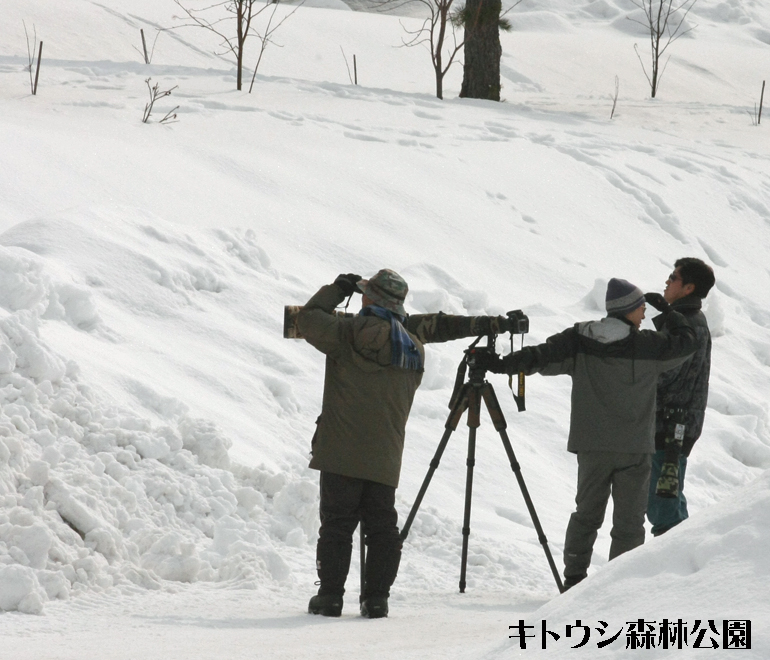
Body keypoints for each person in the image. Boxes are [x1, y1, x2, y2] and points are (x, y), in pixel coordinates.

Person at [297, 269, 515, 618]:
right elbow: (441, 326)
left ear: (370, 299)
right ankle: (376, 599)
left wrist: (338, 289)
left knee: (337, 525)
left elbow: (307, 319)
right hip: (385, 455)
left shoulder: (345, 333)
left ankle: (331, 597)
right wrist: (488, 324)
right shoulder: (411, 342)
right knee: (382, 528)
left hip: (339, 451)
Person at [480, 278, 698, 590]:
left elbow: (540, 356)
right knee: (629, 523)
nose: (643, 314)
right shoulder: (648, 345)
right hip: (634, 449)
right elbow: (687, 343)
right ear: (627, 310)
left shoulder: (579, 338)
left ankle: (574, 580)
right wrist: (669, 313)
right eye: (640, 307)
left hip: (592, 446)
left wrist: (501, 365)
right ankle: (619, 588)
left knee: (586, 516)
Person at [644, 258, 715, 536]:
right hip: (675, 424)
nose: (667, 281)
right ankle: (683, 551)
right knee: (668, 498)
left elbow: (668, 373)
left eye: (673, 277)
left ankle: (674, 558)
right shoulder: (688, 320)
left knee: (662, 506)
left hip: (671, 427)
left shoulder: (688, 325)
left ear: (688, 288)